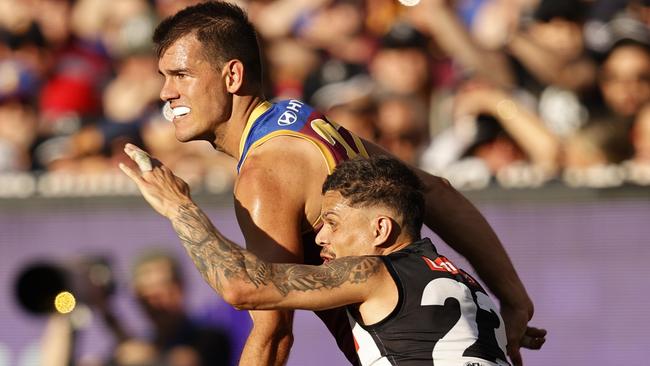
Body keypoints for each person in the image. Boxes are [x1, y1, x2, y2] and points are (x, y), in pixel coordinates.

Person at [134, 2, 541, 365]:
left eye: (181, 74)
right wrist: (513, 296)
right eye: (163, 76)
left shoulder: (265, 171)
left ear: (232, 75)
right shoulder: (306, 121)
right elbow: (436, 191)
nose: (166, 92)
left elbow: (270, 327)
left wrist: (178, 207)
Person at [122, 154, 546, 365]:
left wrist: (179, 207)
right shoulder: (469, 287)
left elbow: (244, 287)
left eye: (333, 223)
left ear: (381, 230)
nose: (320, 236)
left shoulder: (371, 271)